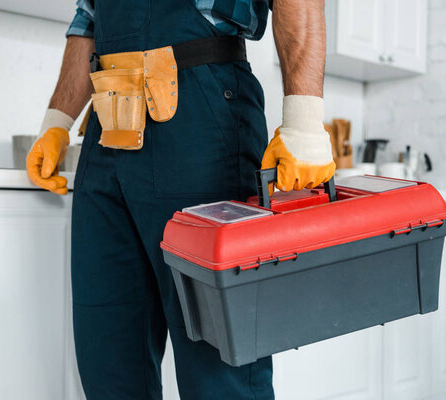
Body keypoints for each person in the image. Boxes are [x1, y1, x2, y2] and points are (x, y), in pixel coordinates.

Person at [26, 0, 335, 398]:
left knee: (218, 365)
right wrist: (57, 122)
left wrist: (305, 121)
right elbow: (89, 16)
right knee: (108, 352)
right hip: (108, 129)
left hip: (202, 118)